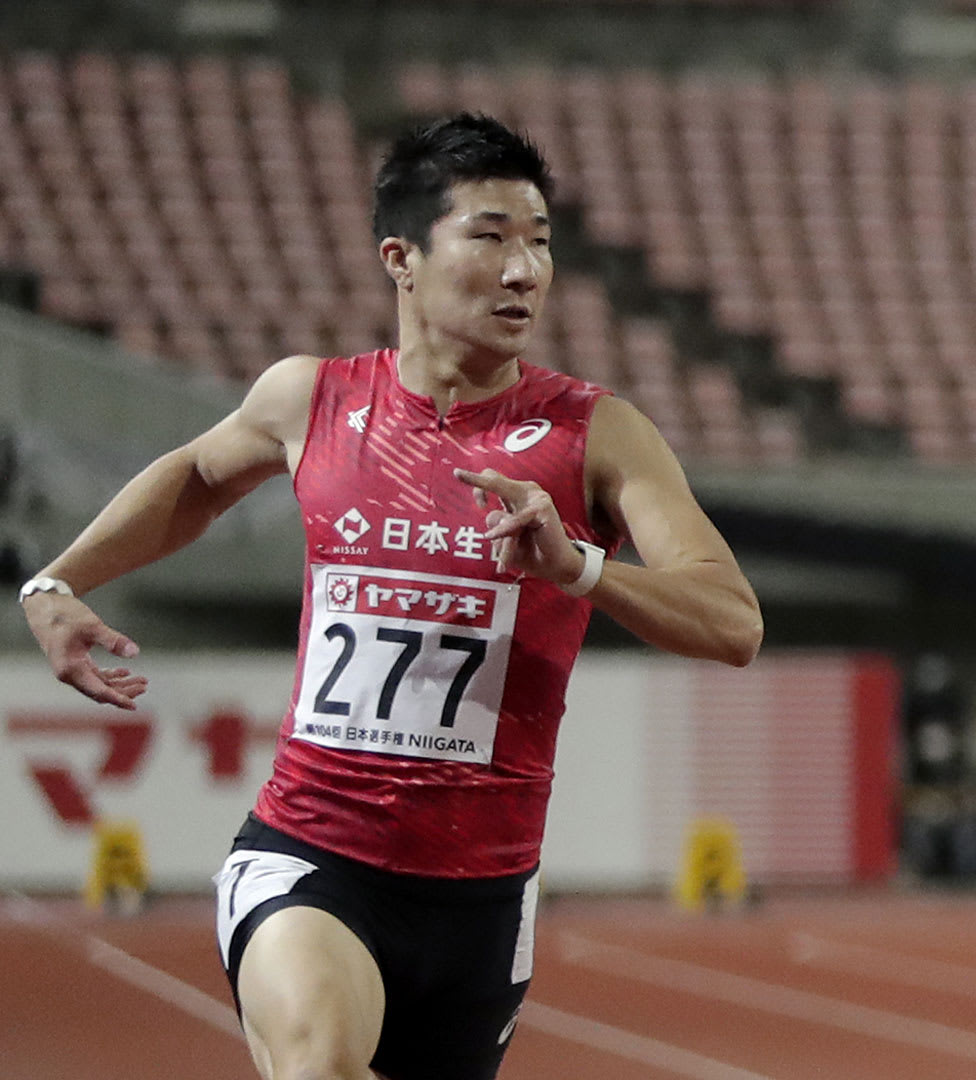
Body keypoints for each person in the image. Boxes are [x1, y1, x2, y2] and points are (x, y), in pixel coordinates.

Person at [17, 113, 762, 1080]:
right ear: (402, 259)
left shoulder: (596, 434)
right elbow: (199, 476)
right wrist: (57, 580)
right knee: (321, 1064)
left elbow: (733, 622)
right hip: (313, 855)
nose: (524, 270)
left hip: (482, 898)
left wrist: (578, 567)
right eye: (490, 236)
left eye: (540, 242)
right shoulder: (311, 399)